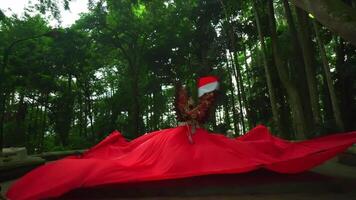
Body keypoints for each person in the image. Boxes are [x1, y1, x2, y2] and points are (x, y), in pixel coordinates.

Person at [6, 76, 356, 200]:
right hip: (173, 139)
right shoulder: (185, 111)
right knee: (132, 157)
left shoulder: (197, 111)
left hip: (190, 138)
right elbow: (187, 115)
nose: (193, 101)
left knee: (235, 148)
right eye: (189, 99)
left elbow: (198, 114)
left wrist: (196, 117)